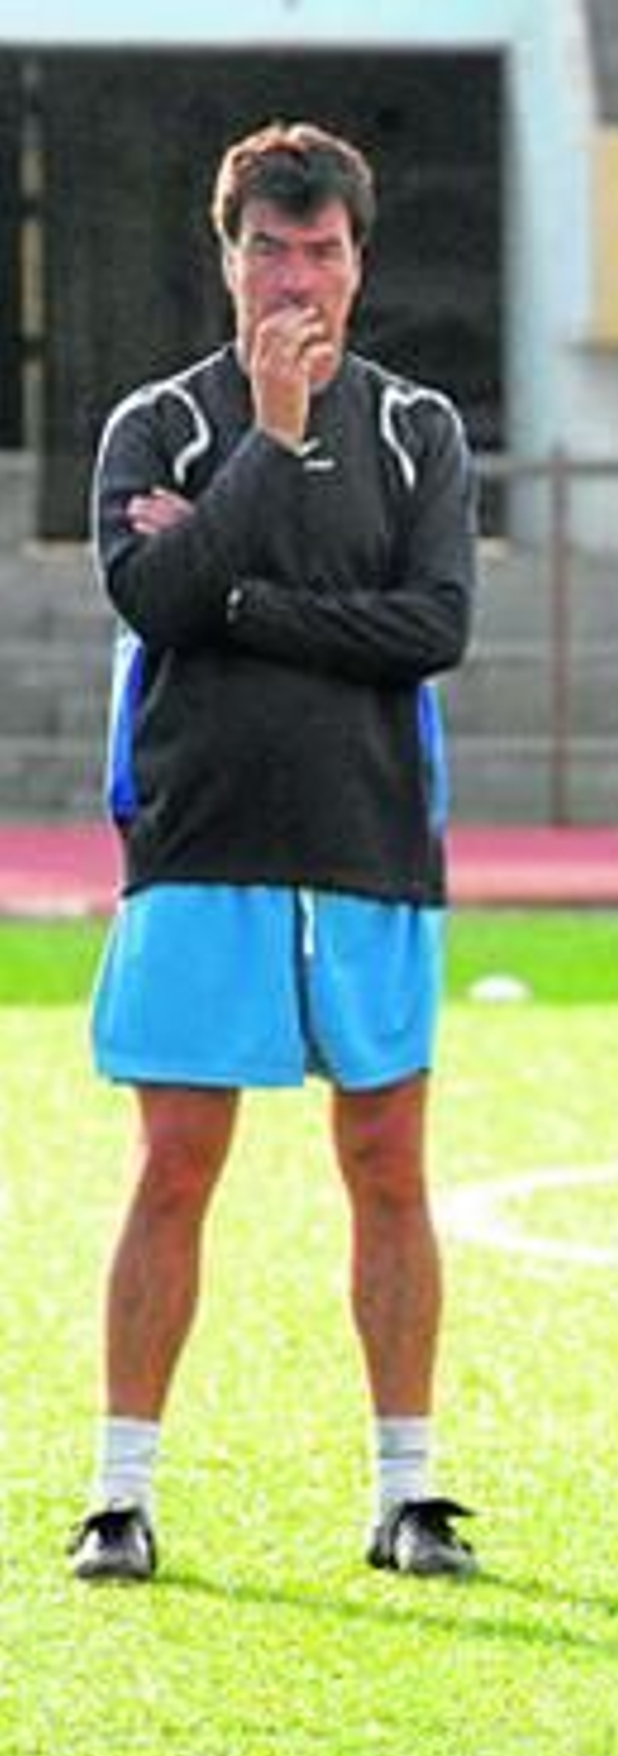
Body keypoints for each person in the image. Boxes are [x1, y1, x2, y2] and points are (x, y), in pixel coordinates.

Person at [68, 121, 479, 1585]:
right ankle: (121, 1492)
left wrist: (239, 598)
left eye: (321, 248)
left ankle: (410, 1489)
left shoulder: (419, 429)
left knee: (387, 1164)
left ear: (359, 263)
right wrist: (266, 443)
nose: (294, 276)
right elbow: (154, 593)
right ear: (225, 253)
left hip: (371, 845)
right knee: (175, 1165)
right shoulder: (156, 428)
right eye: (268, 246)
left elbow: (431, 627)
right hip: (196, 843)